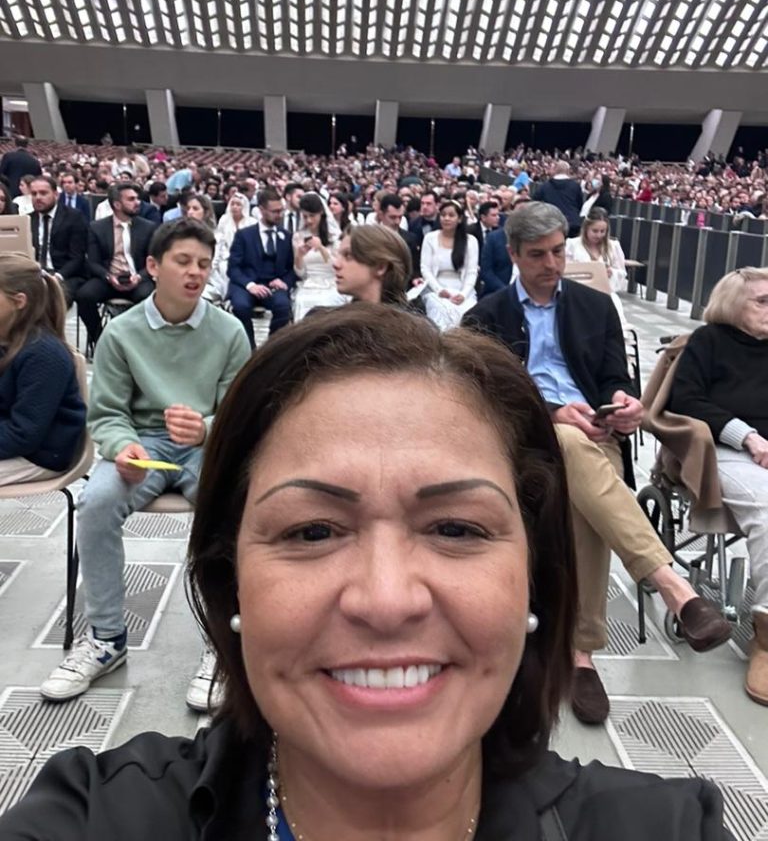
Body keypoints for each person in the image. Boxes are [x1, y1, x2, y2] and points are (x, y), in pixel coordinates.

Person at [1, 306, 734, 839]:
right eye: (313, 530)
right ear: (232, 584)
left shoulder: (666, 826)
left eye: (455, 528)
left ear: (534, 582)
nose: (386, 601)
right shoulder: (95, 817)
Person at [463, 202, 731, 724]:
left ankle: (580, 653)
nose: (552, 263)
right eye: (538, 254)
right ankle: (666, 591)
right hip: (524, 442)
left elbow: (616, 376)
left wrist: (626, 402)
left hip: (597, 435)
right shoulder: (486, 317)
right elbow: (486, 400)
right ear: (514, 254)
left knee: (581, 488)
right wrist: (552, 411)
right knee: (568, 445)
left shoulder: (595, 306)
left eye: (560, 251)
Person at [39, 219, 251, 710]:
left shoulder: (229, 331)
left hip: (204, 447)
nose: (195, 273)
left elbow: (243, 410)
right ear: (153, 266)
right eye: (183, 261)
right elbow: (108, 412)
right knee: (96, 502)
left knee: (235, 510)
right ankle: (107, 640)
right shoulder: (123, 333)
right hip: (146, 447)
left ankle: (221, 645)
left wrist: (207, 428)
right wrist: (123, 446)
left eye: (203, 264)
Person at [668, 267, 768, 705]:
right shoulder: (707, 342)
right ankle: (766, 635)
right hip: (723, 449)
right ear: (733, 303)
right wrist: (746, 436)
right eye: (762, 301)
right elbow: (685, 400)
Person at [0, 255, 86, 485]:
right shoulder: (5, 340)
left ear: (19, 301)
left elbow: (24, 434)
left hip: (39, 455)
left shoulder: (44, 354)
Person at [75, 182, 156, 346]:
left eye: (137, 198)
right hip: (109, 279)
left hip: (138, 278)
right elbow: (93, 262)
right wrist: (109, 277)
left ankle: (136, 342)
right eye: (131, 199)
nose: (138, 202)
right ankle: (101, 339)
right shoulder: (97, 227)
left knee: (148, 298)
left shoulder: (148, 227)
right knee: (84, 296)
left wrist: (139, 277)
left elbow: (154, 260)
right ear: (117, 204)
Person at [228, 187, 296, 344]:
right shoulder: (244, 235)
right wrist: (250, 285)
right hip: (247, 282)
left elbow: (292, 268)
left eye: (281, 211)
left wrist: (284, 281)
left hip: (273, 283)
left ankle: (271, 347)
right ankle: (248, 348)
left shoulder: (286, 236)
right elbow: (233, 268)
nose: (279, 215)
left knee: (283, 307)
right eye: (275, 211)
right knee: (240, 306)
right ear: (261, 210)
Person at [28, 175, 88, 307]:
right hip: (35, 275)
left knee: (51, 300)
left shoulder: (74, 217)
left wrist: (58, 276)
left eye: (43, 193)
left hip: (65, 274)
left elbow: (77, 258)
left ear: (56, 194)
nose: (38, 197)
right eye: (34, 194)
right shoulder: (28, 220)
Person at [420, 200, 479, 329]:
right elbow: (425, 269)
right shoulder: (430, 238)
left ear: (459, 219)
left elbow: (471, 272)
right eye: (443, 215)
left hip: (462, 288)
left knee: (465, 316)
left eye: (451, 215)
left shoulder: (470, 241)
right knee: (440, 312)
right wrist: (439, 290)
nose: (446, 218)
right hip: (436, 288)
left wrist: (463, 294)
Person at [565, 206, 628, 324]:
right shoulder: (572, 245)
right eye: (595, 231)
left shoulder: (613, 246)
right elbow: (565, 271)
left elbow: (622, 273)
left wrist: (612, 273)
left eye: (602, 231)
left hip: (605, 295)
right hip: (577, 296)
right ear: (586, 228)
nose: (599, 235)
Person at [291, 192, 345, 321]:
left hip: (331, 282)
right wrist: (299, 256)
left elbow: (338, 266)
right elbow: (301, 273)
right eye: (305, 216)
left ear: (321, 213)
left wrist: (321, 248)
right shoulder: (298, 236)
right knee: (301, 300)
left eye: (312, 216)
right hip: (309, 283)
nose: (309, 220)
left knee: (325, 301)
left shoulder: (334, 236)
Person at [332, 225, 412, 305]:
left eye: (348, 256)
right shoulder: (335, 316)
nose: (336, 264)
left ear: (380, 267)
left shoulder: (400, 317)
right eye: (338, 255)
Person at [205, 193, 256, 304]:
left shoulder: (252, 222)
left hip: (246, 257)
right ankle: (225, 298)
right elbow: (219, 242)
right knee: (224, 269)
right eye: (232, 204)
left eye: (238, 204)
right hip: (226, 256)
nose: (235, 207)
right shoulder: (224, 220)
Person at [535, 160, 583, 236]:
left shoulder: (545, 186)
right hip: (572, 222)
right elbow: (579, 204)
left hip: (552, 223)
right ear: (568, 171)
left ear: (555, 170)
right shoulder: (575, 186)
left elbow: (535, 203)